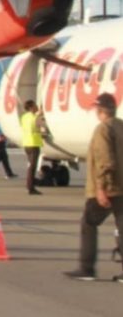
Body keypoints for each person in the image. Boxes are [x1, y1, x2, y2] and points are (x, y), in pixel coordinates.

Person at [63, 93, 123, 282]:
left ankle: (86, 268)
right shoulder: (121, 126)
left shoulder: (103, 129)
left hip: (109, 187)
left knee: (88, 224)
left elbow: (105, 161)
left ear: (99, 110)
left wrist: (101, 188)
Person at [20, 100, 46, 195]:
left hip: (26, 143)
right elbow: (42, 126)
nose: (37, 107)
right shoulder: (35, 118)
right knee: (32, 166)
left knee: (30, 165)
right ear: (31, 107)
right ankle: (30, 187)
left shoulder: (24, 117)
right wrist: (41, 115)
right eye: (35, 105)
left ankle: (29, 184)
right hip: (34, 143)